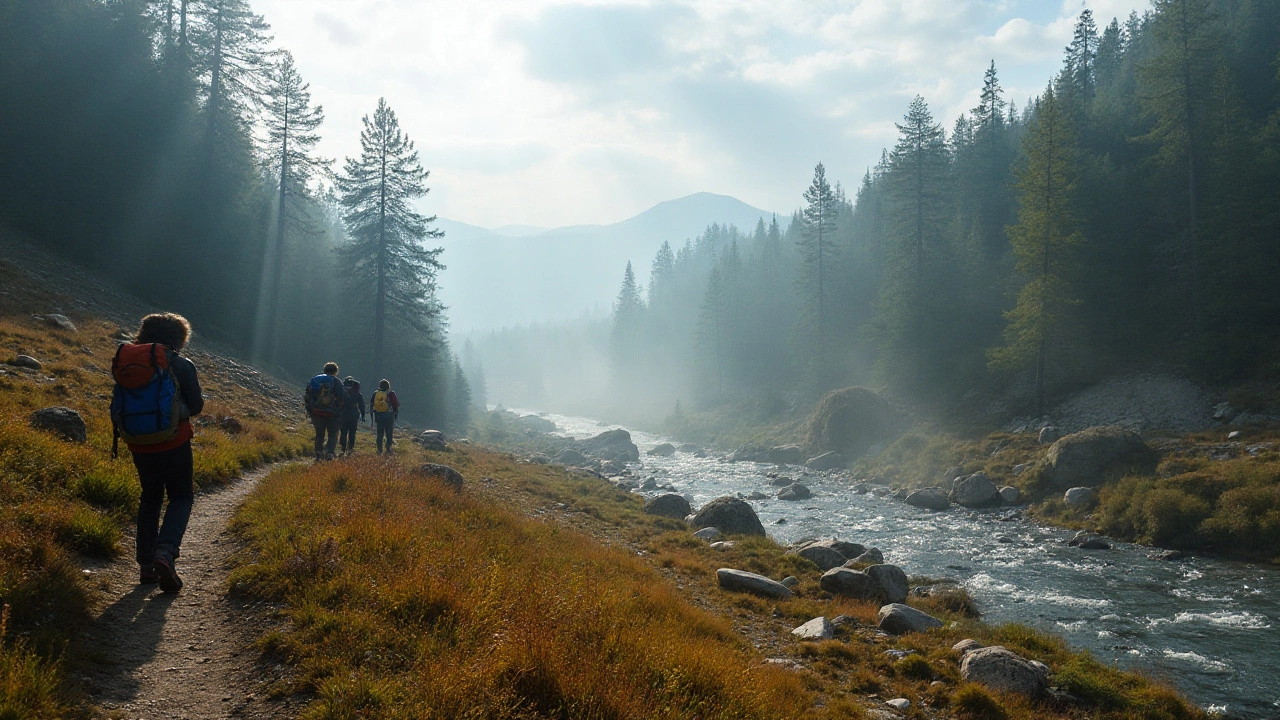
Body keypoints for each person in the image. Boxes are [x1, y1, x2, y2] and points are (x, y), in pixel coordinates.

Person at [112, 313, 204, 593]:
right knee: (181, 496)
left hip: (138, 442)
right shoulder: (179, 363)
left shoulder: (128, 362)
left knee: (150, 497)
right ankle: (165, 551)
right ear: (179, 337)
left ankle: (146, 566)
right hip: (174, 441)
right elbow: (197, 406)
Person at [304, 362, 345, 461]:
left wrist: (310, 409)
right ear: (335, 372)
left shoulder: (315, 379)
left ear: (324, 370)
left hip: (316, 412)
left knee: (319, 434)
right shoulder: (336, 381)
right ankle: (329, 453)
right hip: (332, 413)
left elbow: (307, 394)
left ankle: (318, 454)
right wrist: (340, 409)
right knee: (333, 434)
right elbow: (341, 397)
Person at [370, 379, 400, 454]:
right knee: (389, 433)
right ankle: (388, 449)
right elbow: (396, 404)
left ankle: (379, 450)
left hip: (379, 415)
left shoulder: (375, 393)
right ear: (388, 386)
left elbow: (372, 404)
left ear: (380, 386)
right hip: (389, 415)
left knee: (379, 433)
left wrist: (373, 413)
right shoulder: (391, 393)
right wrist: (395, 413)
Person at [339, 376, 366, 455]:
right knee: (352, 432)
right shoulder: (358, 394)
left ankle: (343, 447)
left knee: (343, 431)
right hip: (354, 413)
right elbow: (361, 406)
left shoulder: (343, 392)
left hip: (344, 413)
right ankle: (350, 447)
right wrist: (363, 415)